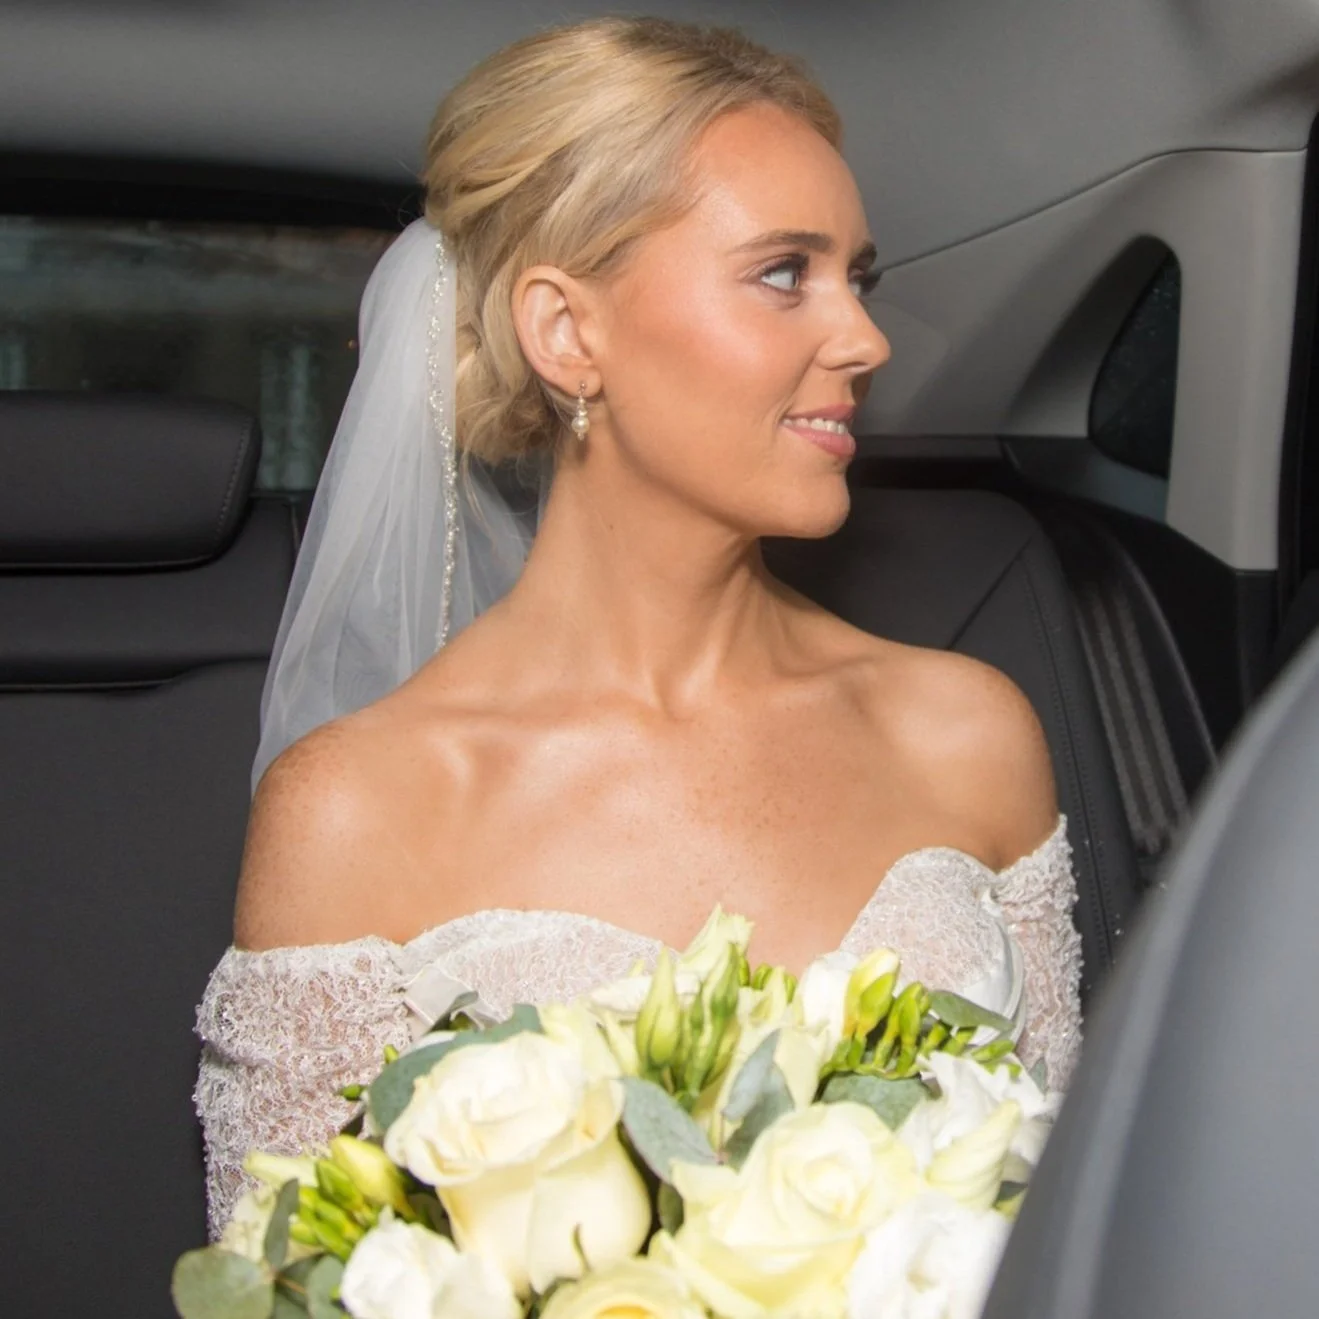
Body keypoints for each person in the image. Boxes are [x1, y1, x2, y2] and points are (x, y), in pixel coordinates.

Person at [194, 16, 1082, 1238]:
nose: (865, 339)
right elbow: (289, 1276)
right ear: (567, 333)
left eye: (858, 278)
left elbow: (1073, 1223)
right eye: (784, 273)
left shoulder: (965, 733)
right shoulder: (355, 810)